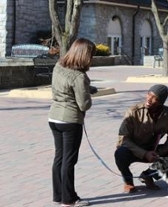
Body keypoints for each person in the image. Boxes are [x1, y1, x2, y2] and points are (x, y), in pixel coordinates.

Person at [48, 38, 97, 207]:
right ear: (85, 55)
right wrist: (89, 95)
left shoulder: (59, 66)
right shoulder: (79, 76)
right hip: (70, 120)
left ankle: (59, 195)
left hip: (54, 117)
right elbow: (84, 104)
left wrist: (86, 89)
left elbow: (64, 88)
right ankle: (69, 200)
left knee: (59, 158)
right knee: (69, 160)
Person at [114, 84, 168, 193]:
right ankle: (128, 181)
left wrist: (159, 152)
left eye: (154, 98)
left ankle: (148, 175)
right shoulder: (133, 112)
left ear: (161, 102)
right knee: (120, 153)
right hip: (134, 150)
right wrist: (144, 153)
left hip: (154, 151)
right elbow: (123, 139)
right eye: (148, 94)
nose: (149, 99)